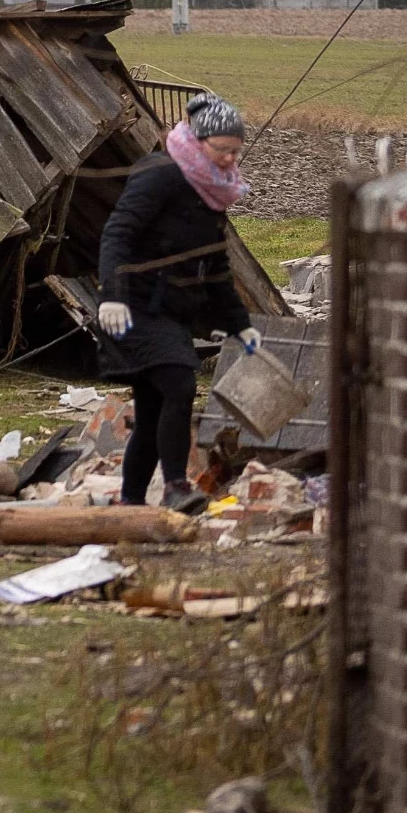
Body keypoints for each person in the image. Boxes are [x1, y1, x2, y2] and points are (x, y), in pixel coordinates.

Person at [95, 89, 261, 516]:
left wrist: (240, 323)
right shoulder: (162, 176)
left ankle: (131, 503)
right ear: (199, 141)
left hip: (173, 310)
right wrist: (111, 298)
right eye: (223, 150)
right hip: (135, 308)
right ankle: (174, 486)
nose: (229, 160)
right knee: (180, 382)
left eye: (235, 152)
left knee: (152, 411)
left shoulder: (212, 191)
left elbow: (216, 264)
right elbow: (117, 233)